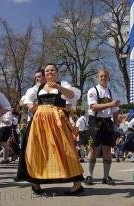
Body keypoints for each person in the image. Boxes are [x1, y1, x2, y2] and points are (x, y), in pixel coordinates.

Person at [24, 63, 84, 195]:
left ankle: (77, 184)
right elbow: (27, 100)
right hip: (40, 123)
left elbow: (72, 95)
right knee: (39, 149)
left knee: (66, 149)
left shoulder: (63, 84)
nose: (49, 72)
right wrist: (34, 108)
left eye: (52, 70)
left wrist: (57, 86)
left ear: (57, 73)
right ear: (44, 74)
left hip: (58, 123)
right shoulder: (38, 88)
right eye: (47, 71)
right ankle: (36, 183)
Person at [84, 68, 120, 186]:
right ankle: (89, 175)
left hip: (107, 122)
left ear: (108, 77)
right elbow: (93, 107)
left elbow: (115, 110)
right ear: (97, 78)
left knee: (107, 149)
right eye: (101, 76)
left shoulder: (111, 92)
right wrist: (110, 104)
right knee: (93, 149)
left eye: (105, 76)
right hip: (95, 121)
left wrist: (115, 124)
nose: (103, 78)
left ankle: (106, 176)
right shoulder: (92, 90)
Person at [14, 69, 46, 182]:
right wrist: (35, 104)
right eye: (36, 77)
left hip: (48, 121)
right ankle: (25, 173)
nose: (38, 79)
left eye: (40, 76)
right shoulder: (32, 90)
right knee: (29, 147)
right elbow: (25, 102)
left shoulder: (51, 88)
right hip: (35, 120)